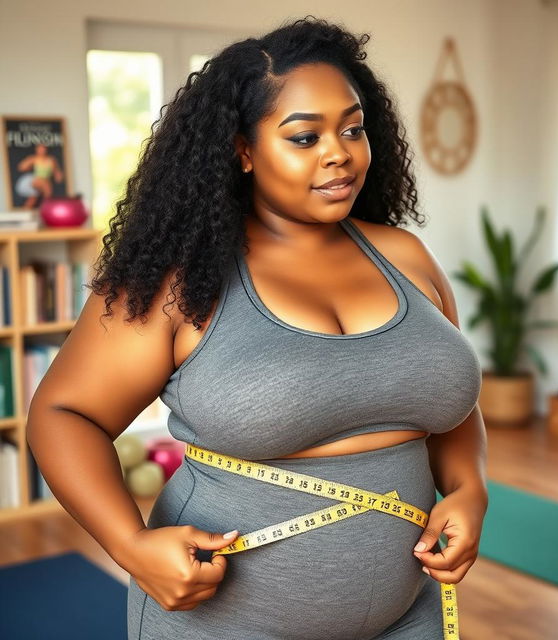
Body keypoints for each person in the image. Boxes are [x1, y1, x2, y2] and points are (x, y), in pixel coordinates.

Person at [26, 15, 489, 640]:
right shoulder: (180, 280)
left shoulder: (405, 257)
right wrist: (131, 544)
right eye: (304, 137)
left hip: (409, 617)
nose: (339, 152)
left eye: (353, 128)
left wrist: (468, 488)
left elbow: (449, 407)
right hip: (220, 623)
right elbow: (63, 415)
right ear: (243, 150)